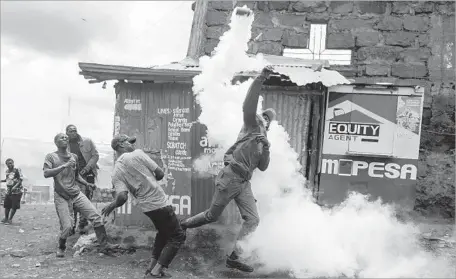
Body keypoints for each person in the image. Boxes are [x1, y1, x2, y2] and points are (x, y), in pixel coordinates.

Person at [180, 66, 276, 273]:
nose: (266, 119)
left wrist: (267, 148)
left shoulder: (263, 141)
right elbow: (248, 104)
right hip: (230, 177)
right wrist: (261, 78)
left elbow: (264, 167)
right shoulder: (251, 124)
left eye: (269, 119)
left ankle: (234, 257)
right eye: (265, 116)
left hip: (244, 184)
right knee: (211, 216)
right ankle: (181, 227)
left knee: (253, 219)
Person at [101, 134, 186, 278]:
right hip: (160, 203)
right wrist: (152, 178)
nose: (133, 144)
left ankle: (151, 267)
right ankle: (155, 273)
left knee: (163, 233)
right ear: (121, 145)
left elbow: (122, 197)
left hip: (147, 207)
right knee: (178, 236)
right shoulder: (137, 154)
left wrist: (112, 205)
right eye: (129, 142)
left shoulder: (116, 171)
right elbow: (159, 173)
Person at [43, 133, 115, 258]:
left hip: (76, 194)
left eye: (66, 137)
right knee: (67, 226)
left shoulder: (74, 157)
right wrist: (64, 166)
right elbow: (46, 173)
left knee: (96, 217)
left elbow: (76, 176)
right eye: (61, 137)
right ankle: (61, 247)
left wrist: (87, 184)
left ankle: (104, 246)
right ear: (56, 142)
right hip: (61, 196)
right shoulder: (51, 157)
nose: (65, 138)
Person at [66, 124, 99, 235]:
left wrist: (86, 168)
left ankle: (82, 224)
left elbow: (95, 155)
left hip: (87, 174)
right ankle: (72, 225)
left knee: (85, 200)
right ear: (67, 133)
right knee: (72, 200)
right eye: (71, 131)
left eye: (75, 130)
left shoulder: (87, 141)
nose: (73, 132)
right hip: (72, 177)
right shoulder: (64, 146)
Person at [1, 158, 24, 224]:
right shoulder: (7, 171)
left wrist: (15, 186)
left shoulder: (17, 170)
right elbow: (8, 179)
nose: (10, 165)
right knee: (7, 205)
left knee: (14, 206)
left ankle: (10, 219)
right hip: (9, 191)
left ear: (13, 163)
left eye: (11, 163)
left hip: (17, 191)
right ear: (6, 165)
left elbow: (20, 179)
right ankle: (6, 218)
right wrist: (2, 181)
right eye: (8, 164)